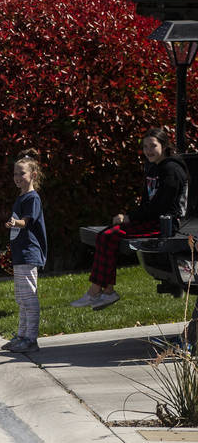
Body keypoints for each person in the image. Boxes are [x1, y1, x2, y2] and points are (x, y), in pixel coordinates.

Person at [72, 127, 189, 309]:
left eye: (153, 146)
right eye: (145, 146)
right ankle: (107, 291)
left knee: (108, 236)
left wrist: (129, 218)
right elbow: (147, 203)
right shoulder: (153, 167)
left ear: (164, 145)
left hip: (165, 224)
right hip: (150, 219)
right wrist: (132, 217)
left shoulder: (172, 170)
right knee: (105, 236)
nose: (148, 150)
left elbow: (161, 206)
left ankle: (96, 292)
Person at [2, 150, 48, 353]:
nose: (17, 178)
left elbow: (26, 222)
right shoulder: (21, 197)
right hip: (21, 254)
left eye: (22, 173)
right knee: (21, 298)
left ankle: (31, 339)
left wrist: (15, 223)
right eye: (15, 174)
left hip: (29, 254)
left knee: (29, 297)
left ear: (33, 175)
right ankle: (21, 336)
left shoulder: (32, 198)